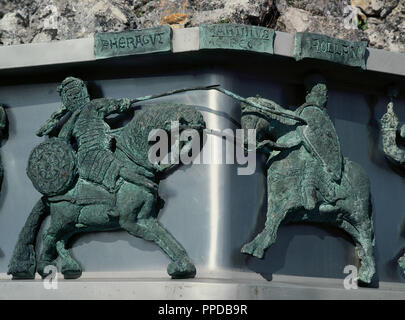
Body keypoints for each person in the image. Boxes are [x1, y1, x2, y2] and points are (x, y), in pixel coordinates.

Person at [37, 77, 157, 194]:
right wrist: (124, 103)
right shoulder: (92, 106)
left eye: (75, 94)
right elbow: (117, 105)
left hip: (86, 157)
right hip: (95, 153)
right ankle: (146, 184)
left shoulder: (82, 113)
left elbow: (62, 137)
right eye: (71, 96)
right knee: (118, 168)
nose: (75, 97)